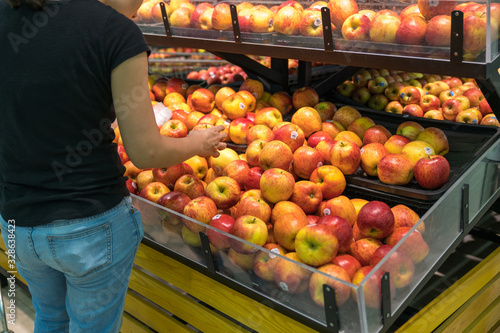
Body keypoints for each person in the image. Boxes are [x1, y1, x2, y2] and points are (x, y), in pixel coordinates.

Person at [0, 0, 226, 331]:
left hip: (16, 221)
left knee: (49, 316)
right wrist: (200, 143)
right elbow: (146, 151)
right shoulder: (115, 32)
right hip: (89, 225)